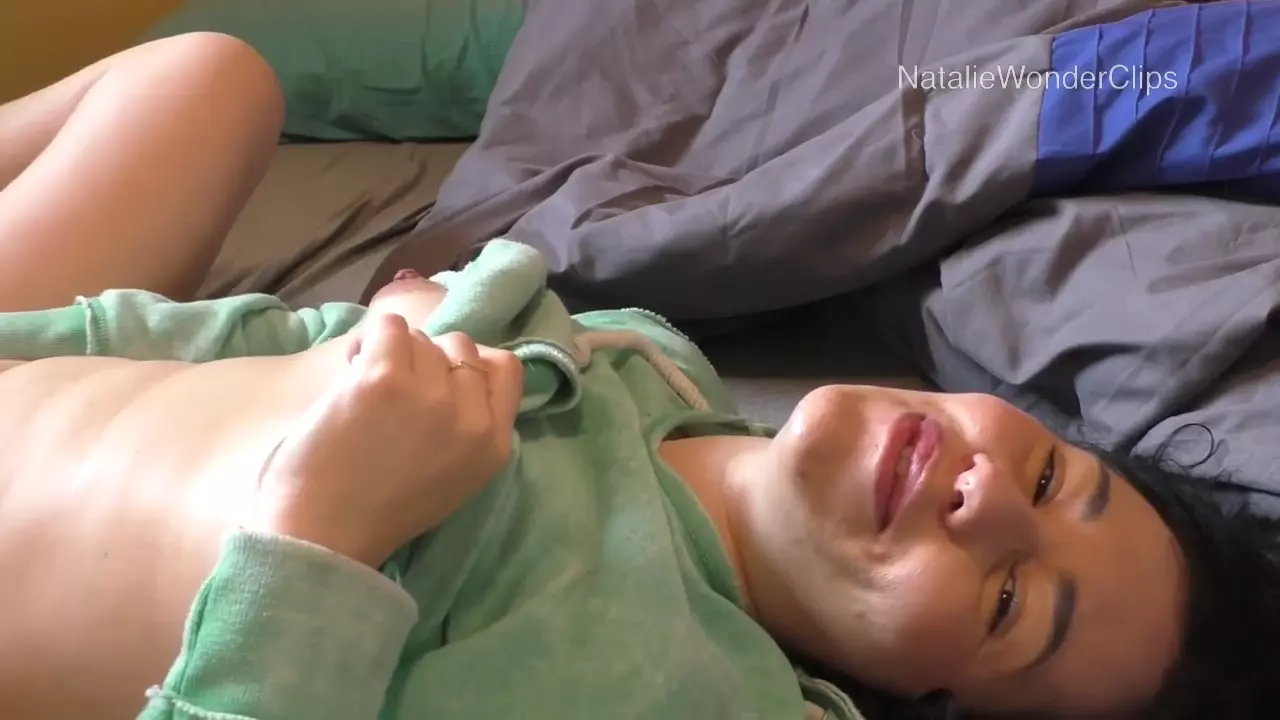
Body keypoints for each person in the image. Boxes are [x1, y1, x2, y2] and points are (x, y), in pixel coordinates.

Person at [0, 31, 1276, 720]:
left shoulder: (691, 685)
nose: (986, 496)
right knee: (215, 74)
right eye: (1047, 477)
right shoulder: (653, 364)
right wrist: (369, 328)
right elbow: (234, 354)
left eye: (1006, 601)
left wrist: (316, 540)